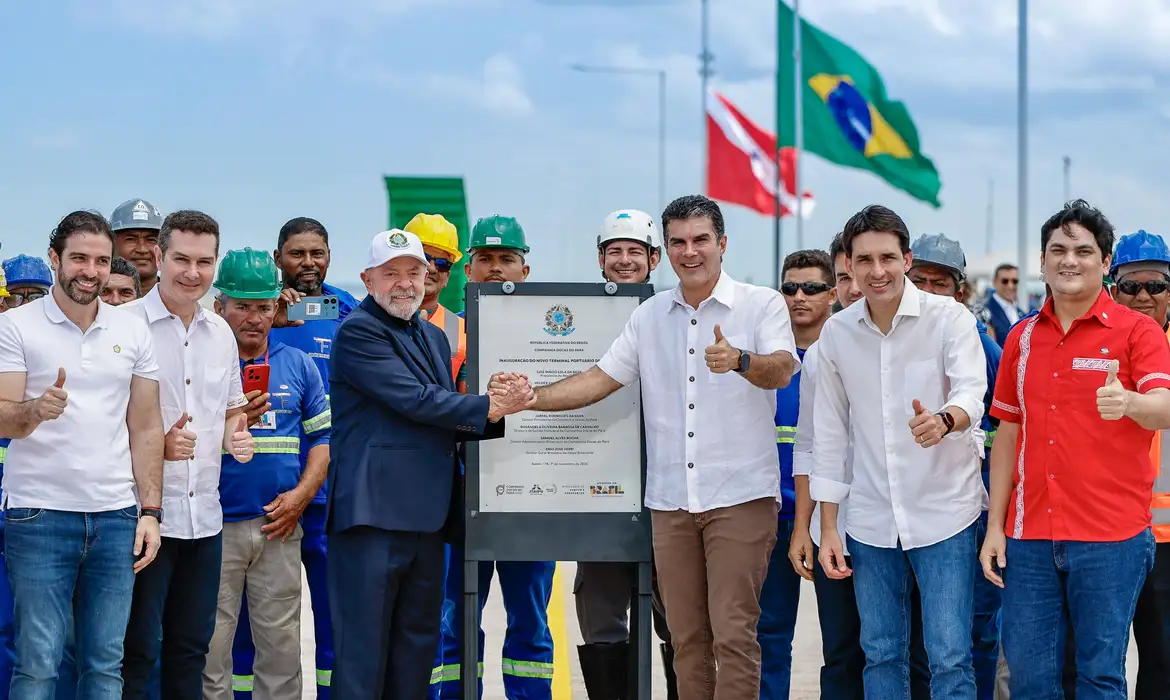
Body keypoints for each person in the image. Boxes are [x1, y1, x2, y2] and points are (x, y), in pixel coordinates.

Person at [501, 194, 799, 699]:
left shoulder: (760, 303)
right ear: (667, 248)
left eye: (701, 239)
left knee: (733, 635)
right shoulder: (650, 315)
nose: (690, 251)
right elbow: (600, 379)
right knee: (687, 641)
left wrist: (742, 361)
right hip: (671, 503)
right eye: (679, 241)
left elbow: (783, 367)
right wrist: (534, 398)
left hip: (740, 498)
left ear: (721, 243)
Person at [326, 228, 526, 699]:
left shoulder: (434, 337)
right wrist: (489, 408)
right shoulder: (358, 332)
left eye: (414, 273)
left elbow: (441, 412)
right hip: (372, 521)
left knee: (416, 652)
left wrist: (488, 409)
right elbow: (416, 401)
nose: (405, 283)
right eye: (391, 273)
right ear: (367, 279)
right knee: (363, 658)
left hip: (426, 520)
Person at [982, 200, 1170, 698]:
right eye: (1058, 250)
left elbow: (1165, 407)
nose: (1070, 260)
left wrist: (1129, 401)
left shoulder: (1139, 333)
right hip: (1029, 538)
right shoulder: (1020, 340)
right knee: (1030, 680)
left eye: (1084, 251)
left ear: (1105, 263)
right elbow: (1007, 436)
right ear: (1042, 262)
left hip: (1112, 538)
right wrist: (995, 528)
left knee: (1100, 677)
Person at [812, 205, 986, 700]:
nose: (877, 271)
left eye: (887, 257)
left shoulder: (949, 319)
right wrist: (828, 528)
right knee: (881, 653)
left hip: (945, 513)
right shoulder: (837, 335)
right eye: (864, 260)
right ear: (848, 264)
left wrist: (944, 419)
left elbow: (973, 391)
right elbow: (828, 435)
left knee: (950, 657)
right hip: (869, 522)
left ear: (907, 259)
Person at [0, 210, 164, 699]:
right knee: (38, 664)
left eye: (99, 260)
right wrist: (34, 410)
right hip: (39, 516)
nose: (90, 271)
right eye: (78, 259)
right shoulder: (16, 327)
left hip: (115, 517)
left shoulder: (132, 330)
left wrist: (151, 511)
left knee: (104, 665)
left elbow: (146, 424)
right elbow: (3, 415)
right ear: (56, 259)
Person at [118, 210, 255, 700]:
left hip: (205, 521)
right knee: (137, 651)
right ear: (159, 256)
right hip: (142, 518)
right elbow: (102, 420)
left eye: (204, 261)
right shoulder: (124, 325)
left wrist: (236, 437)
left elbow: (231, 409)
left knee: (191, 648)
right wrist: (157, 446)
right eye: (180, 259)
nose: (192, 273)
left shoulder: (220, 332)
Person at [230, 217, 358, 699]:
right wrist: (270, 316)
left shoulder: (348, 312)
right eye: (296, 254)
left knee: (333, 618)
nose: (308, 263)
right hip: (264, 503)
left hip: (329, 497)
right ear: (278, 256)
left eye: (317, 253)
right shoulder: (250, 320)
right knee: (252, 628)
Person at [435, 216, 556, 700]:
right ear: (469, 268)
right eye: (484, 259)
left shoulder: (553, 331)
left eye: (506, 259)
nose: (494, 269)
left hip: (533, 496)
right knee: (454, 620)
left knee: (530, 620)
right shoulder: (446, 334)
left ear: (525, 270)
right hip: (462, 499)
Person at [203, 249, 330, 700]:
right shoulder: (200, 364)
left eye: (263, 306)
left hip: (280, 525)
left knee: (280, 648)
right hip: (213, 528)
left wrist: (300, 497)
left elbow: (323, 442)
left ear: (278, 306)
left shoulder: (299, 364)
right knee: (211, 649)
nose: (253, 317)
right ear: (220, 308)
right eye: (241, 305)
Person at [573, 209, 670, 699]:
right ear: (600, 258)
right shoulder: (583, 313)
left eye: (636, 251)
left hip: (669, 492)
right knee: (602, 613)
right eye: (616, 252)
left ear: (654, 258)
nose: (625, 261)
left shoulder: (675, 311)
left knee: (680, 618)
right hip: (602, 489)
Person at [907, 233, 1003, 700]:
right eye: (918, 280)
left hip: (972, 515)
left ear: (959, 290)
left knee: (972, 637)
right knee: (918, 642)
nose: (927, 291)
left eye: (938, 283)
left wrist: (993, 521)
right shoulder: (891, 340)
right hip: (909, 518)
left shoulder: (984, 351)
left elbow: (1002, 439)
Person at [789, 233, 866, 700]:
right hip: (832, 529)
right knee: (840, 652)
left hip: (898, 532)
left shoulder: (913, 344)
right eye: (844, 278)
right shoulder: (820, 355)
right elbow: (808, 447)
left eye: (859, 274)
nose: (855, 286)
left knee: (897, 651)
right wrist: (805, 527)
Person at [764, 249, 834, 699]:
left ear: (832, 294)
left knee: (849, 643)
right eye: (789, 288)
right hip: (771, 517)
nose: (798, 297)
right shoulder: (766, 359)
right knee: (768, 637)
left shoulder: (849, 352)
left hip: (835, 519)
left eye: (810, 288)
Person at [1106, 229, 1170, 699]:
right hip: (1104, 532)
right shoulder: (1094, 348)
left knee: (1163, 663)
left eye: (1156, 285)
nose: (1144, 296)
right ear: (1113, 287)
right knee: (1095, 662)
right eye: (1131, 286)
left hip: (1166, 537)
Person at [405, 213, 468, 393]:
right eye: (424, 258)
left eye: (442, 263)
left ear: (447, 276)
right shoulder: (372, 317)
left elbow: (464, 399)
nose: (432, 268)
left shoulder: (462, 330)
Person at [110, 199, 164, 296]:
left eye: (151, 240)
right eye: (130, 239)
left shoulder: (180, 304)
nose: (142, 249)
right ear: (111, 245)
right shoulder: (92, 303)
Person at [984, 264, 1024, 346]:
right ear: (994, 282)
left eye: (1014, 281)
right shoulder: (985, 312)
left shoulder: (1022, 313)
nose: (1010, 286)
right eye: (1005, 281)